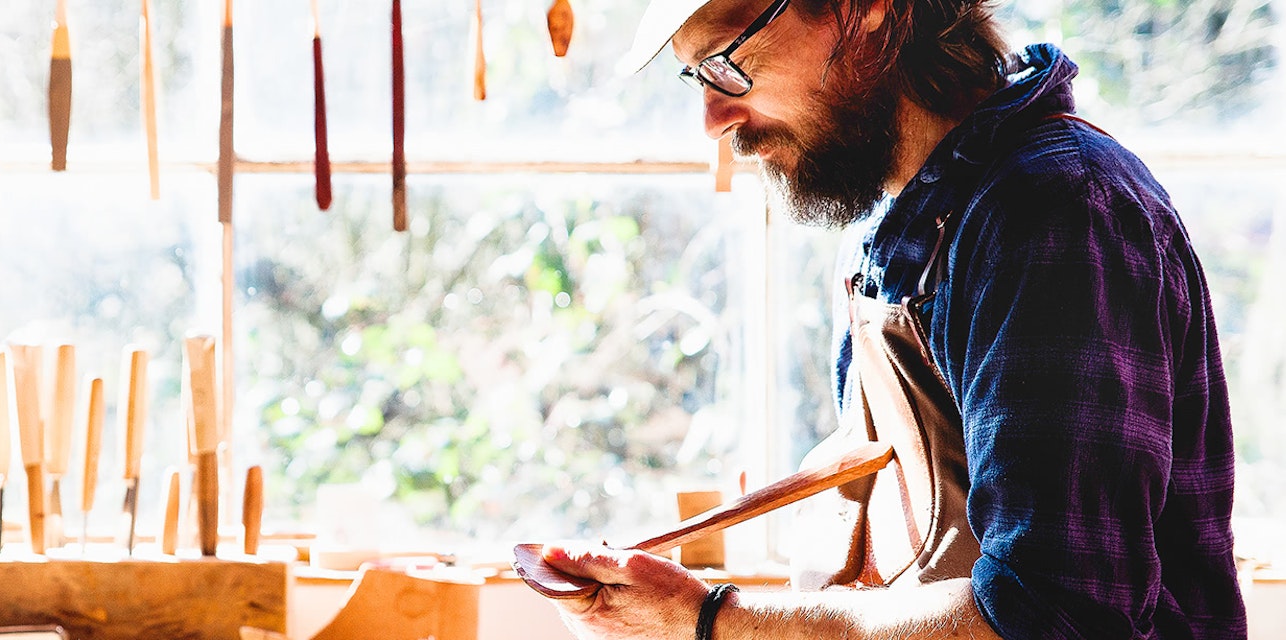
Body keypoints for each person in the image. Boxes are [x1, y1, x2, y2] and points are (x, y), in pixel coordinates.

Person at [528, 0, 1250, 638]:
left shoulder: (1054, 214)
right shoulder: (902, 218)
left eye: (725, 61)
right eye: (697, 77)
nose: (715, 119)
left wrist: (712, 621)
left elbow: (1053, 616)